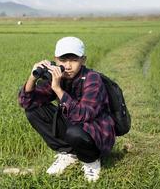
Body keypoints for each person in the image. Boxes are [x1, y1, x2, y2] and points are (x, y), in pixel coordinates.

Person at [18, 36, 115, 182]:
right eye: (63, 61)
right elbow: (27, 102)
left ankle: (91, 161)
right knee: (33, 111)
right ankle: (68, 153)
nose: (68, 66)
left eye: (74, 60)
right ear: (56, 60)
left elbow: (83, 115)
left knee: (74, 131)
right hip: (75, 126)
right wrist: (33, 78)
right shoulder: (59, 76)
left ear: (83, 60)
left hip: (97, 132)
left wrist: (57, 89)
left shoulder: (92, 79)